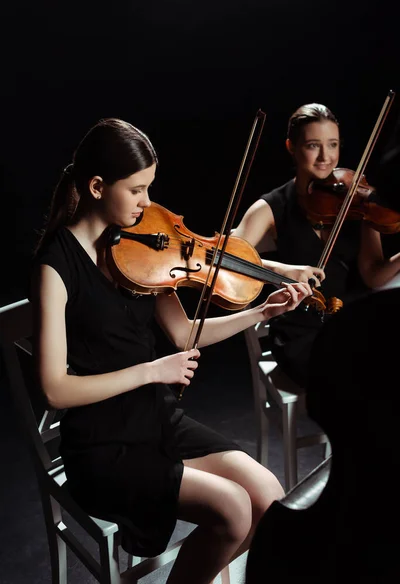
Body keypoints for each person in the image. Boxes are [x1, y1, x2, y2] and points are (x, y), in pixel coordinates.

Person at [30, 117, 311, 584]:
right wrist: (152, 371)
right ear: (98, 186)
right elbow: (55, 390)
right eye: (137, 190)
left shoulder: (142, 247)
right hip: (103, 445)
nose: (147, 203)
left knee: (267, 496)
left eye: (149, 188)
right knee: (234, 509)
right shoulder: (54, 268)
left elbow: (184, 334)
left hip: (154, 420)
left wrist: (261, 314)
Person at [234, 102, 400, 387]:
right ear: (291, 147)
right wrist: (283, 269)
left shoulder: (356, 200)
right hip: (302, 335)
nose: (326, 157)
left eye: (333, 145)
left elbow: (373, 275)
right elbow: (228, 259)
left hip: (356, 326)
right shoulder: (271, 208)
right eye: (313, 145)